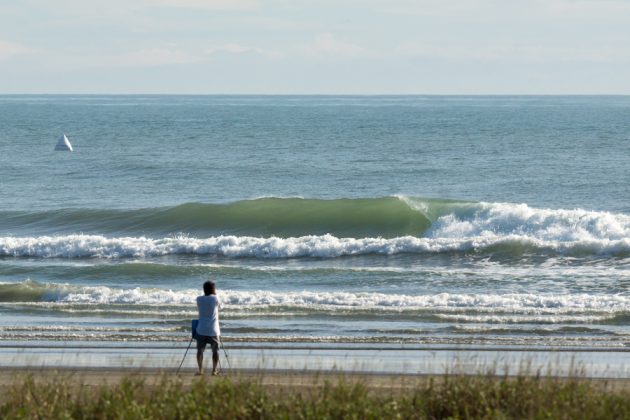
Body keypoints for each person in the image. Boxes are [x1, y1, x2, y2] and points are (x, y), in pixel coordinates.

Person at [195, 280, 221, 375]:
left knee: (200, 350)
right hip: (213, 330)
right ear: (213, 289)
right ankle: (214, 370)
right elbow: (220, 307)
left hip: (201, 329)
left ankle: (200, 370)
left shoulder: (199, 299)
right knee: (215, 351)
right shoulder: (215, 298)